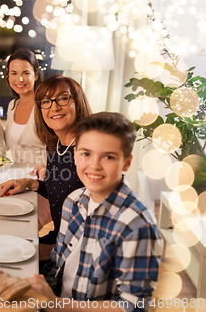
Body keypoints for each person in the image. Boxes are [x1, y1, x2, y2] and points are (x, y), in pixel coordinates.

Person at [26, 112, 163, 312]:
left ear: (126, 162)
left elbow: (133, 306)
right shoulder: (73, 201)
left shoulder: (138, 226)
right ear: (75, 155)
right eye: (86, 153)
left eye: (108, 156)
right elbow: (57, 264)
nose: (94, 165)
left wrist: (55, 305)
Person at [0, 75, 92, 248]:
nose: (54, 107)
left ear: (78, 103)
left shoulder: (89, 152)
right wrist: (30, 184)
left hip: (76, 249)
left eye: (63, 98)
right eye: (46, 101)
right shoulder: (56, 146)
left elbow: (93, 223)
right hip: (58, 237)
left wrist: (50, 252)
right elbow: (60, 192)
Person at [5, 48, 46, 168]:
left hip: (42, 180)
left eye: (26, 73)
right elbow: (7, 143)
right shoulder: (12, 106)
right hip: (15, 178)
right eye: (14, 73)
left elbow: (59, 148)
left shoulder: (45, 106)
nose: (20, 79)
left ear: (36, 75)